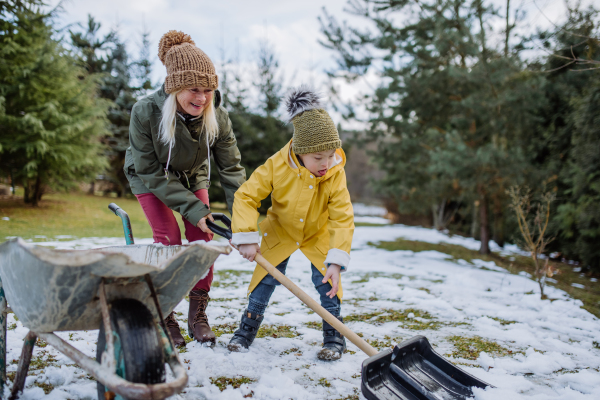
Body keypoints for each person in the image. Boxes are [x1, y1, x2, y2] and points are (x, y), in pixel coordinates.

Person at [124, 30, 245, 347]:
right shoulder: (145, 112)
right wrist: (193, 209)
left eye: (208, 89)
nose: (202, 97)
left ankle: (197, 312)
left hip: (192, 175)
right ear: (175, 86)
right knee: (170, 239)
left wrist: (244, 223)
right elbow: (149, 169)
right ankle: (164, 312)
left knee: (202, 239)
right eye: (194, 89)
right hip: (151, 175)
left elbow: (231, 168)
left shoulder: (216, 116)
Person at [227, 87, 354, 360]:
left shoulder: (334, 173)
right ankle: (246, 330)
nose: (326, 163)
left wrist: (336, 259)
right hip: (281, 230)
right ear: (300, 150)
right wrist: (246, 236)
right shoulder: (277, 165)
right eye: (318, 158)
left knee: (328, 283)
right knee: (265, 279)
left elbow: (342, 216)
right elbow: (247, 196)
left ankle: (334, 336)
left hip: (316, 233)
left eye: (331, 154)